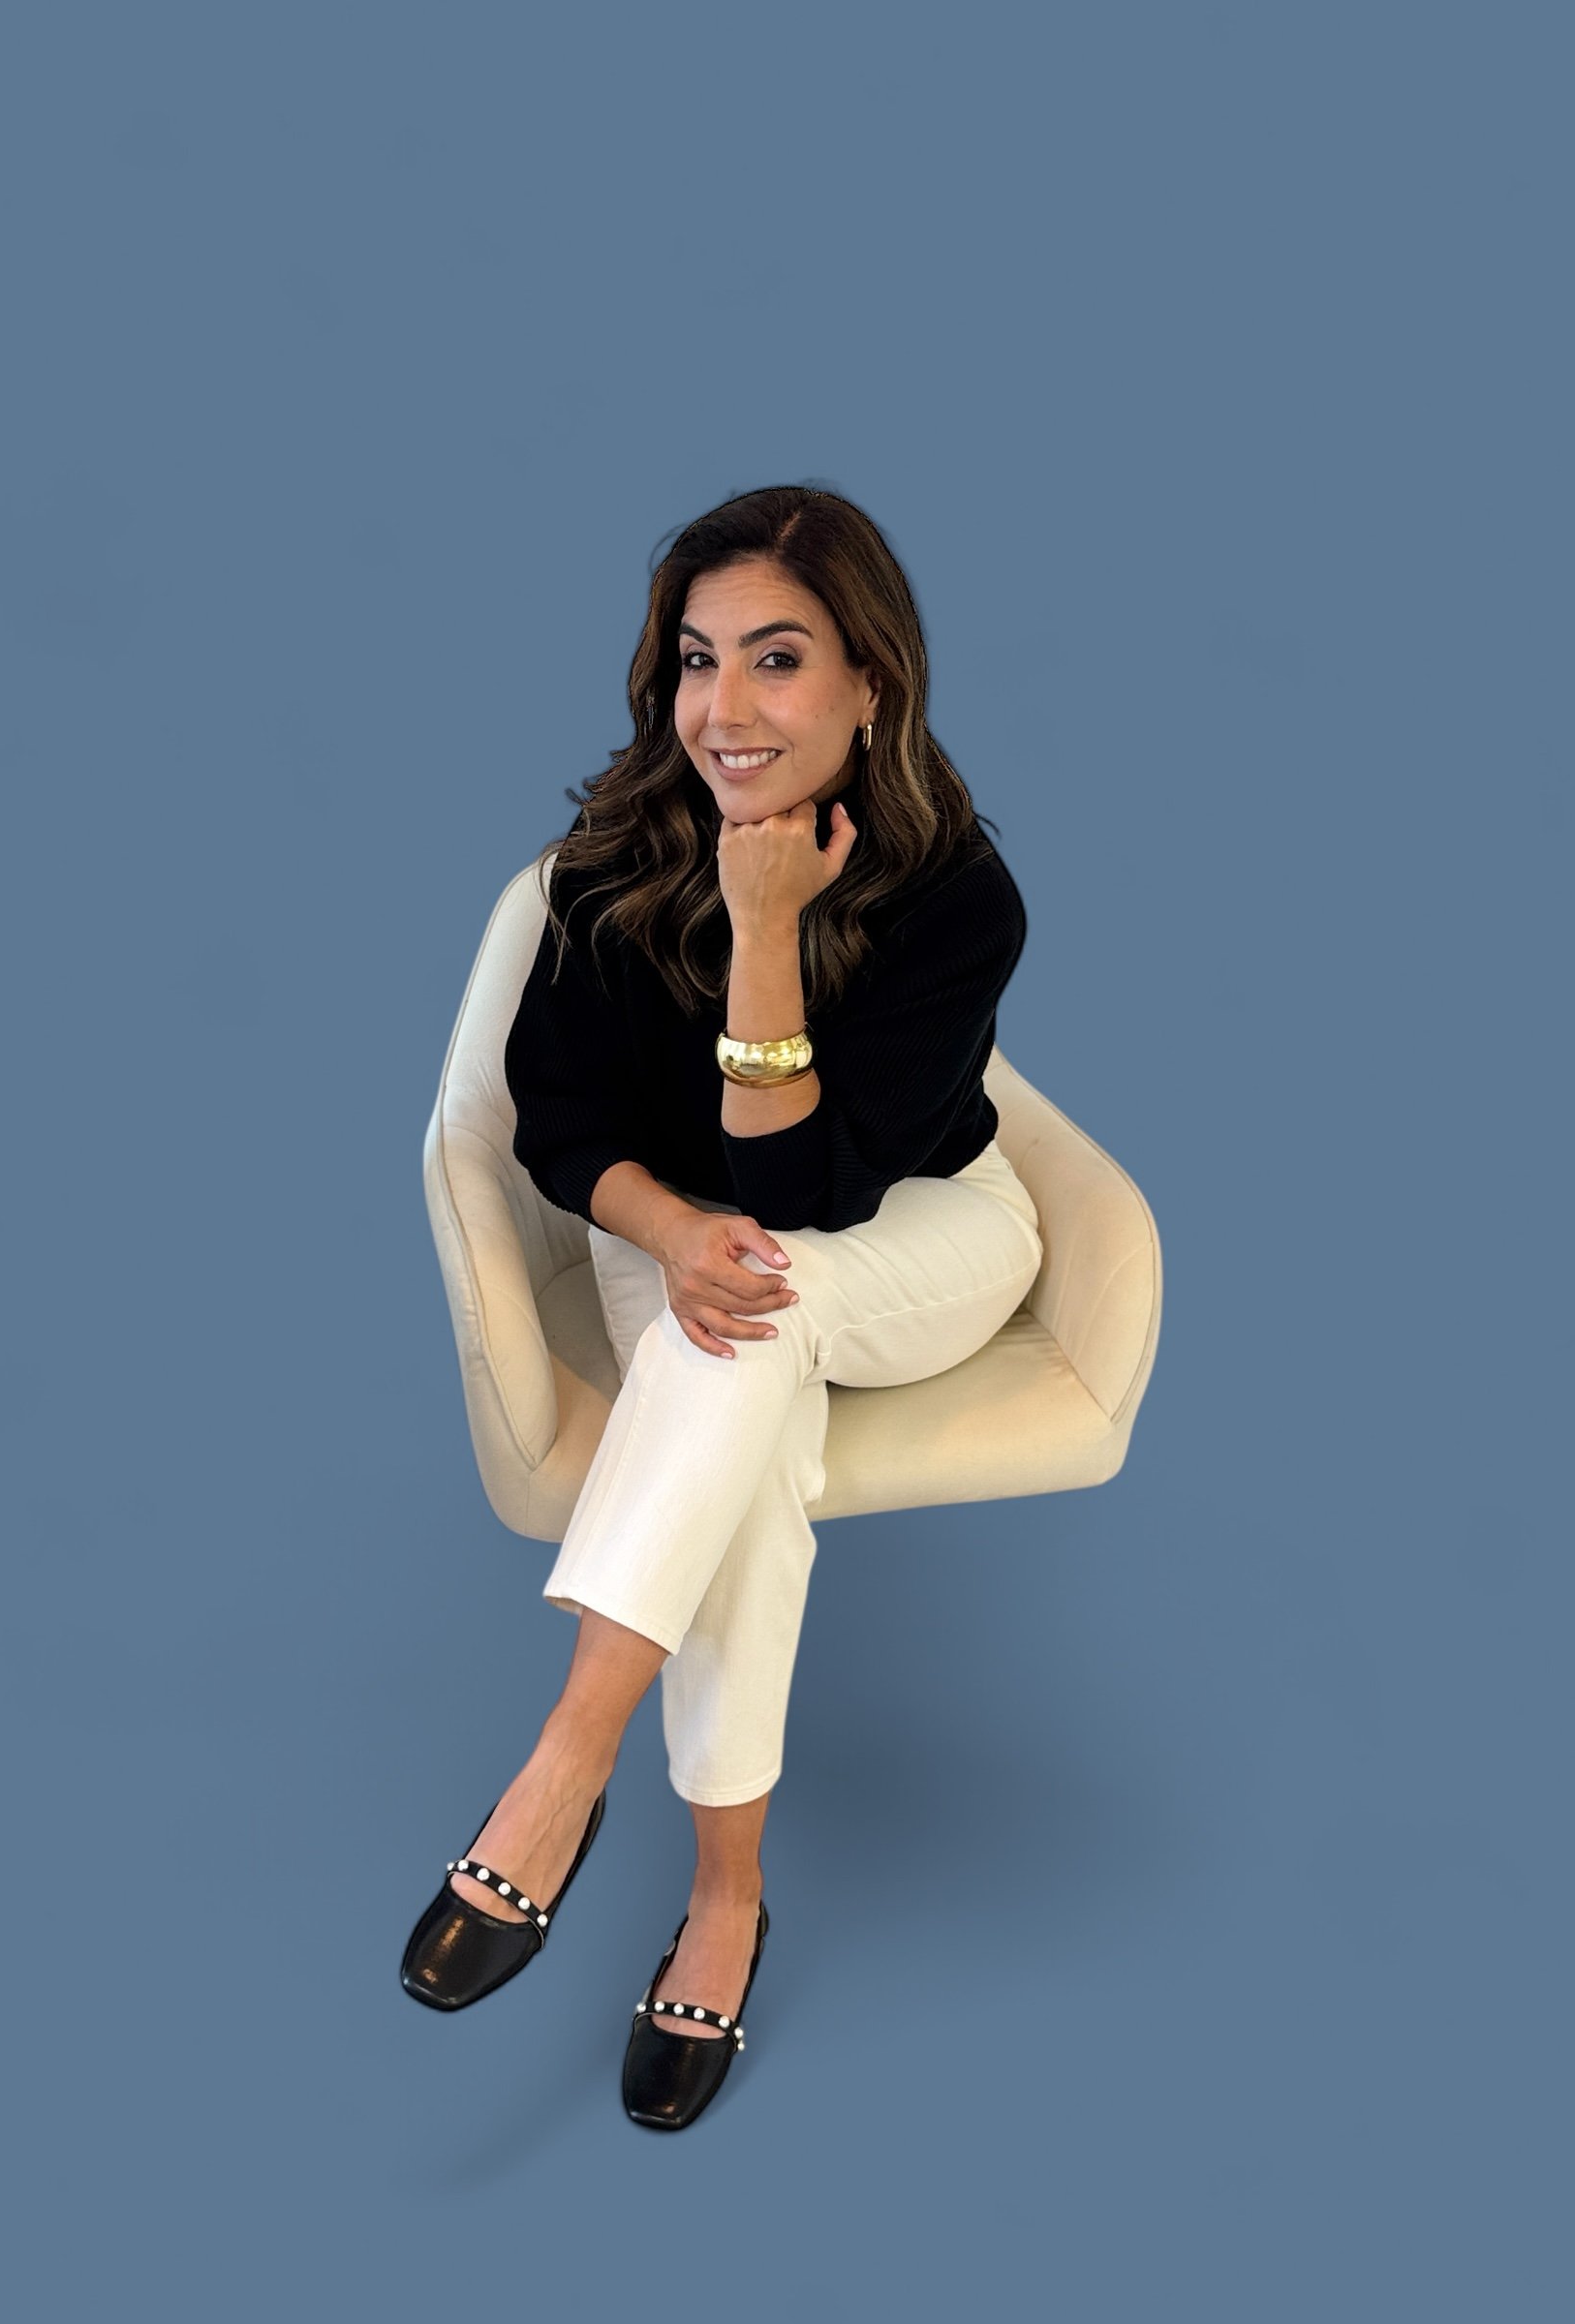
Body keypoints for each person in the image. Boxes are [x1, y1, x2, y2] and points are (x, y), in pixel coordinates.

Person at [399, 482, 1044, 2131]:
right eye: (699, 660)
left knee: (769, 1288)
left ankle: (563, 1766)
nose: (726, 708)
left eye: (776, 659)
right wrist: (675, 1227)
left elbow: (823, 1186)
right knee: (738, 1387)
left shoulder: (960, 896)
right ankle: (729, 1896)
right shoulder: (613, 853)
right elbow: (555, 1124)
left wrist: (768, 928)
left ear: (866, 684)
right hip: (673, 1231)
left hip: (918, 1235)